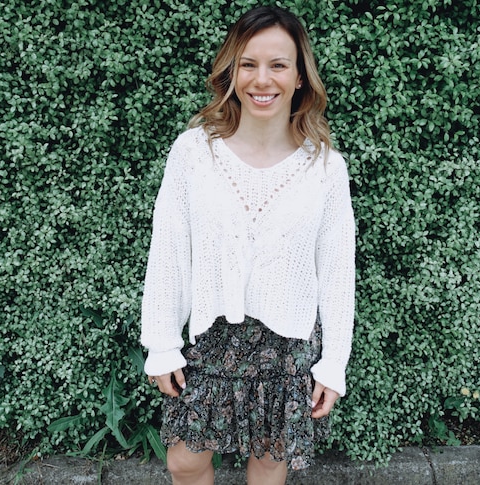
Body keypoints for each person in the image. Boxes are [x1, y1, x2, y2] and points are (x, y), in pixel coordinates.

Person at [140, 6, 355, 484]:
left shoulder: (325, 168)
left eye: (278, 65)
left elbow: (338, 271)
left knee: (268, 463)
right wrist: (161, 341)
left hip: (287, 346)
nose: (263, 79)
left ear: (300, 76)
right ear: (231, 71)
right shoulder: (194, 151)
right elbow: (169, 250)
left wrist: (333, 363)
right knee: (185, 460)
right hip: (210, 340)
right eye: (248, 64)